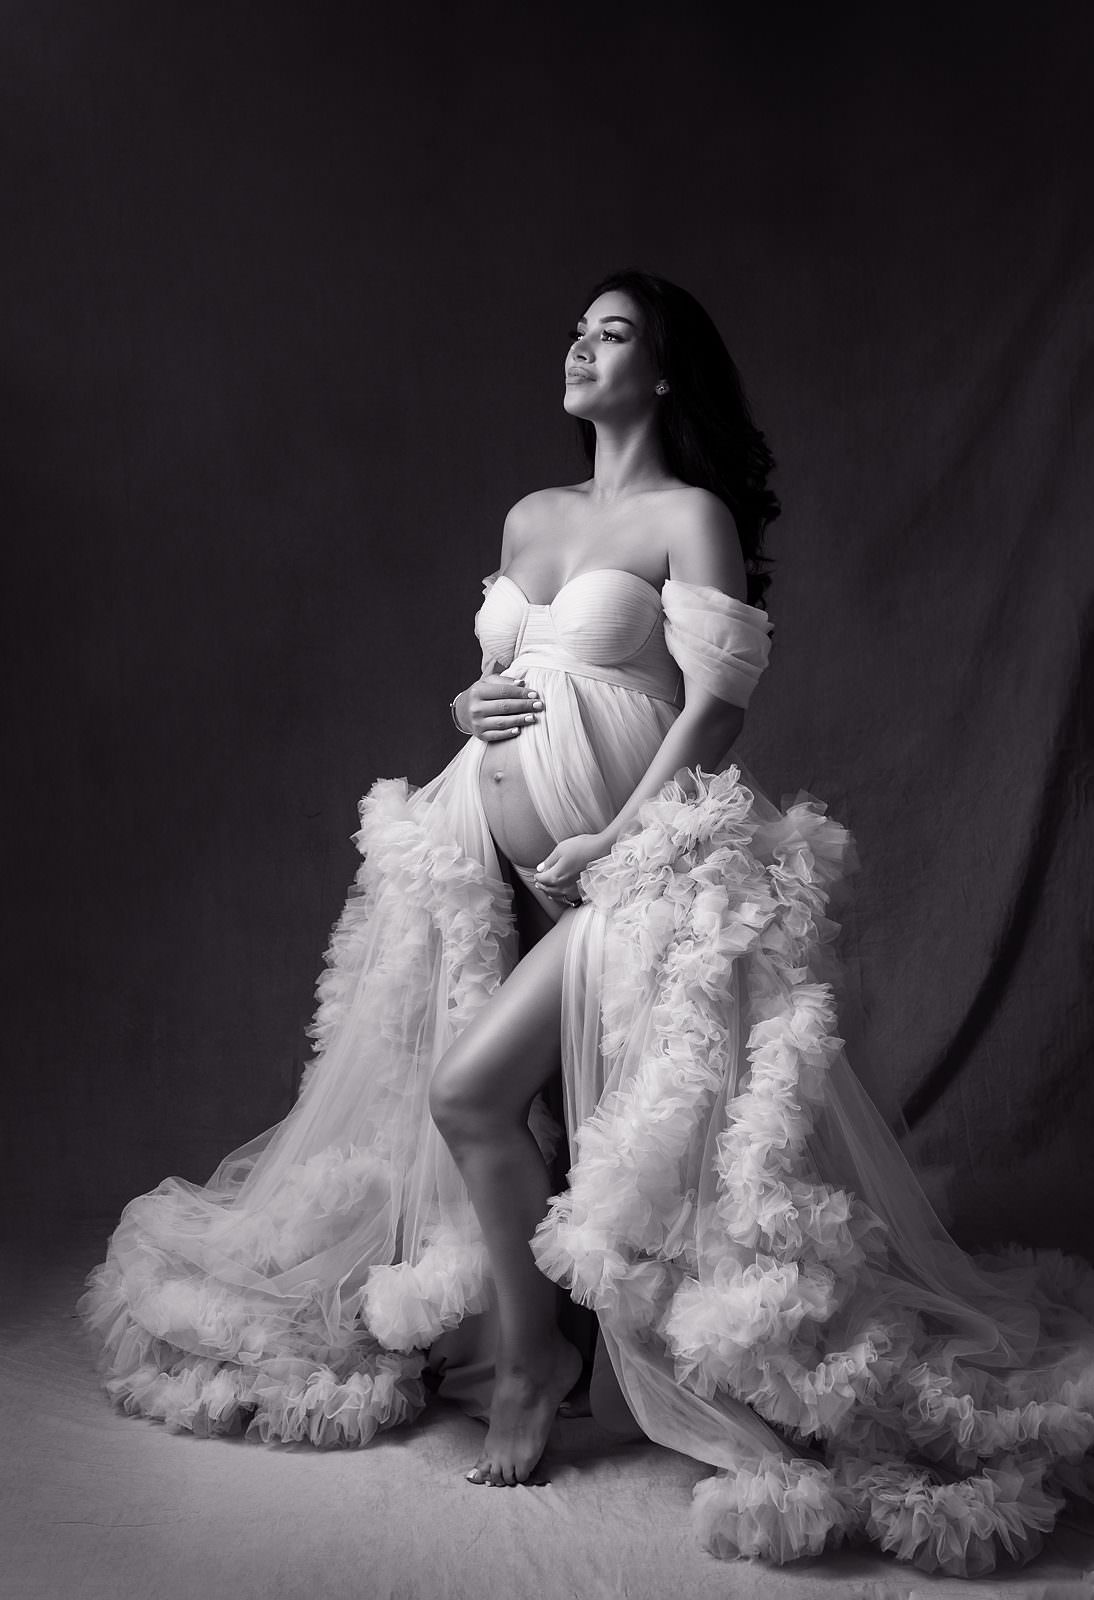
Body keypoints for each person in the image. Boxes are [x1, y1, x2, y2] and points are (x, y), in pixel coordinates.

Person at [79, 269, 1094, 1579]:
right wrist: (470, 713)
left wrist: (613, 841)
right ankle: (542, 1339)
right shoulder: (533, 514)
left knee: (471, 1095)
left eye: (610, 334)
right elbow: (513, 678)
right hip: (484, 854)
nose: (579, 347)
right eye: (575, 329)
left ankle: (534, 1367)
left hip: (639, 872)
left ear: (660, 372)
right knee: (509, 1111)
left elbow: (716, 705)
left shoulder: (688, 515)